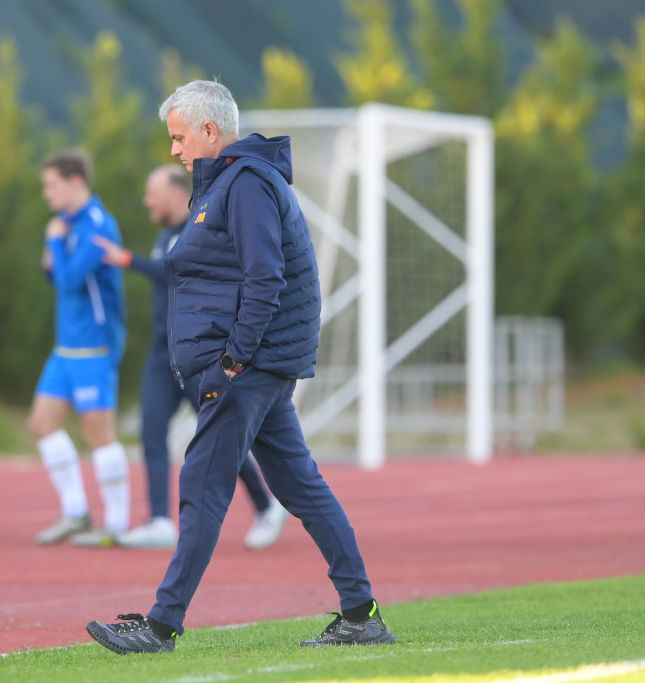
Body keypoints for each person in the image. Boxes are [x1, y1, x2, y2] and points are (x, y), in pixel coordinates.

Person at [86, 81, 396, 652]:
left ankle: (160, 627)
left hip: (247, 368)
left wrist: (232, 359)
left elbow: (265, 275)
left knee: (201, 486)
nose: (175, 151)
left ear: (210, 131)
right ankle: (362, 613)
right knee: (300, 487)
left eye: (180, 138)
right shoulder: (231, 183)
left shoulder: (245, 183)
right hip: (262, 367)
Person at [93, 164, 286, 550]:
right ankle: (160, 520)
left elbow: (177, 272)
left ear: (176, 194)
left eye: (153, 194)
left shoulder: (203, 230)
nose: (147, 201)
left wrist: (128, 260)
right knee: (150, 432)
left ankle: (266, 505)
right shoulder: (164, 234)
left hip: (199, 355)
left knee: (222, 437)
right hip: (161, 354)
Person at [28, 149, 129, 547]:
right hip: (67, 346)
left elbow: (70, 279)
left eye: (51, 185)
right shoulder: (68, 224)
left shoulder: (97, 226)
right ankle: (76, 512)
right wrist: (51, 256)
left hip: (94, 346)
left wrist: (53, 246)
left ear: (75, 182)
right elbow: (59, 280)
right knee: (41, 424)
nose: (46, 194)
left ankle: (116, 525)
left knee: (98, 433)